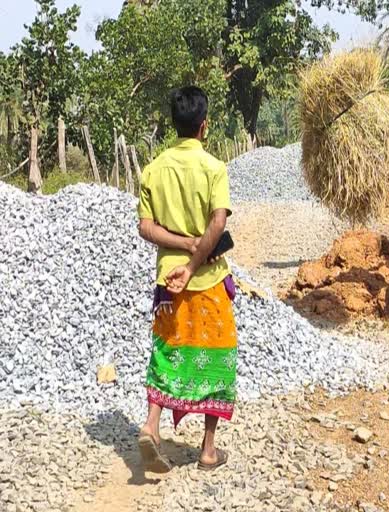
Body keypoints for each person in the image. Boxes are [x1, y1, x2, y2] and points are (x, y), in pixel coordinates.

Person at [136, 86, 236, 473]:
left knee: (166, 352)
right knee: (216, 359)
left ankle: (150, 425)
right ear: (204, 126)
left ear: (174, 125)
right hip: (207, 280)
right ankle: (208, 450)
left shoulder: (153, 169)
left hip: (168, 284)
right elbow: (218, 222)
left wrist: (179, 245)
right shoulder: (214, 168)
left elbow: (146, 227)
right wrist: (194, 261)